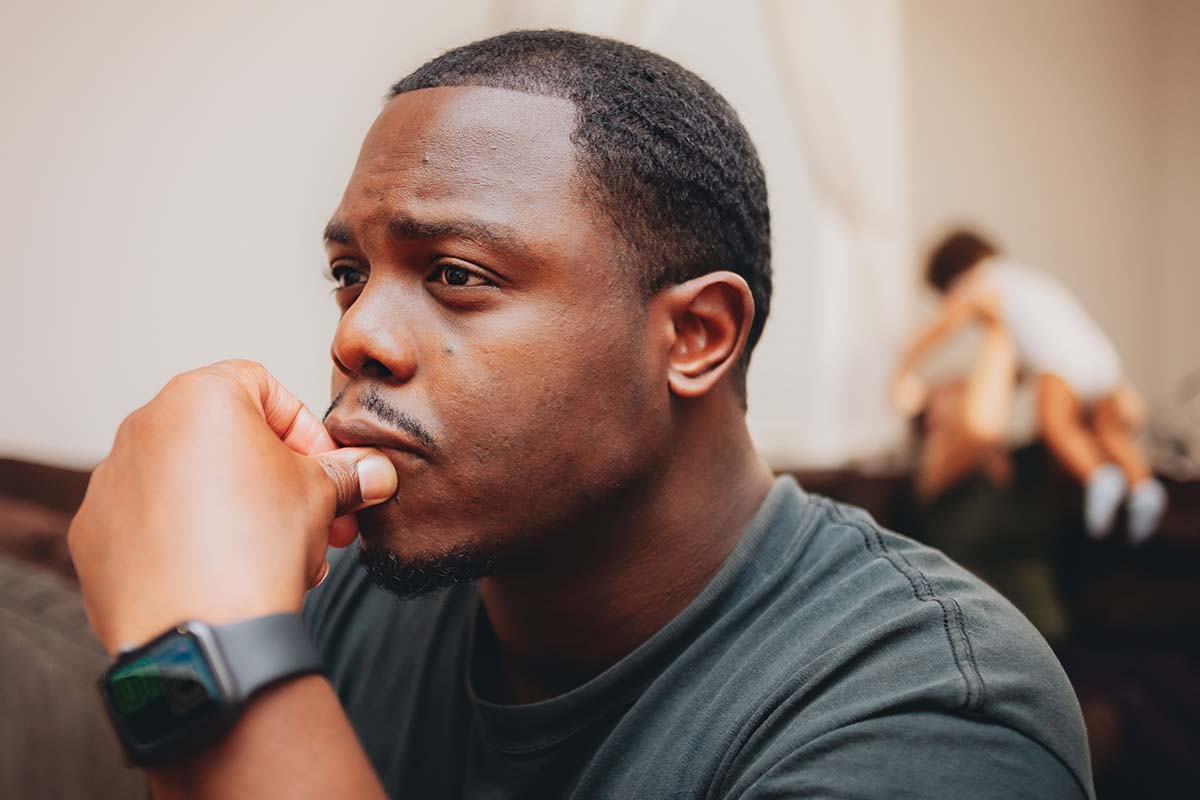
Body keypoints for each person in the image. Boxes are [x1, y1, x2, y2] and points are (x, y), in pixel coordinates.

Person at [68, 31, 1093, 799]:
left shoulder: (933, 706)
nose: (356, 335)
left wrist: (205, 642)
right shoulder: (355, 600)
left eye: (456, 272)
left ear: (695, 336)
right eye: (348, 272)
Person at [893, 229, 1167, 543]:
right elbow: (987, 418)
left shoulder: (983, 283)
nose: (961, 387)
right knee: (1099, 431)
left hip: (1065, 364)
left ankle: (1112, 479)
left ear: (954, 280)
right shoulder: (1031, 283)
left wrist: (907, 362)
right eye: (945, 390)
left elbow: (944, 327)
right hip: (1102, 358)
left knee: (1061, 423)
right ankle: (1134, 484)